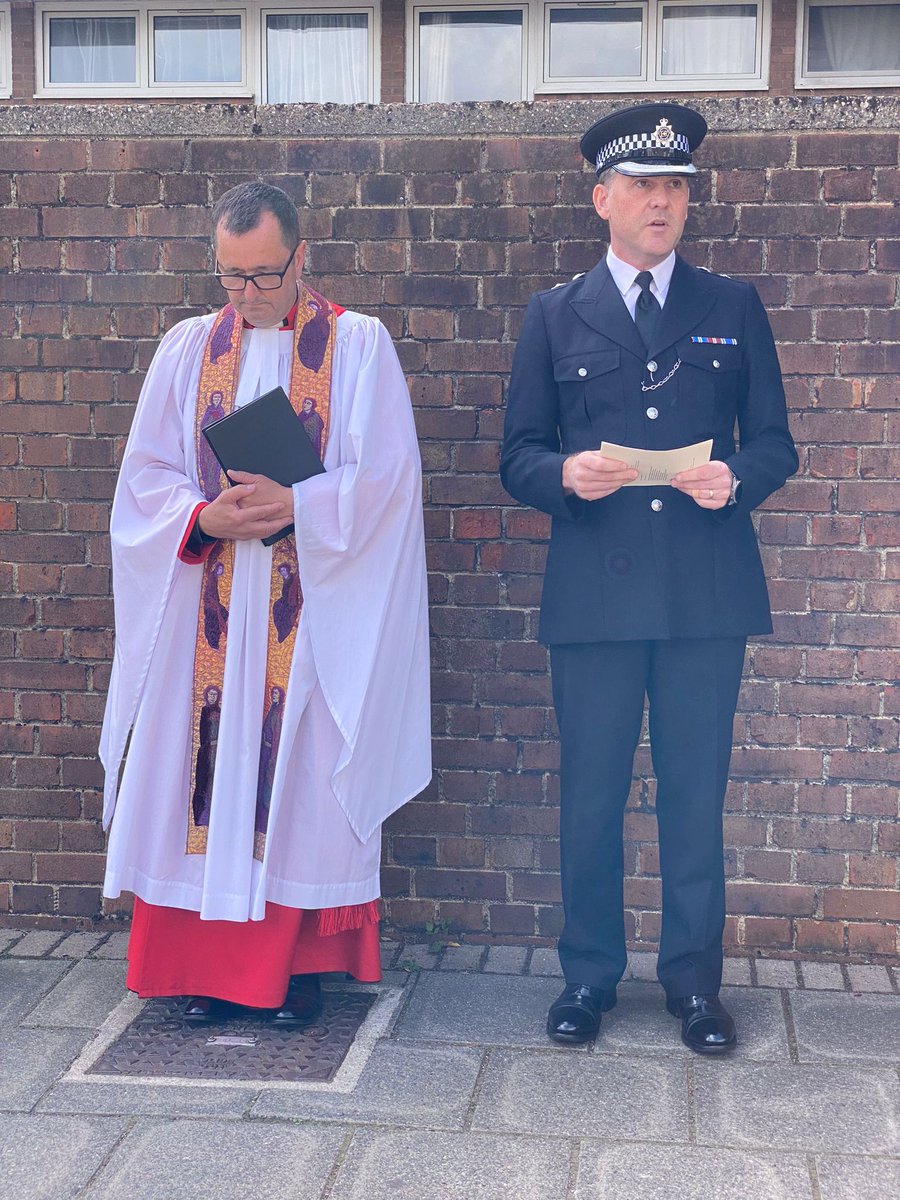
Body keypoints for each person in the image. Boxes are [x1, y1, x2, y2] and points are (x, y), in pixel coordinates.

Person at [500, 103, 797, 1054]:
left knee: (692, 794)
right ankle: (588, 978)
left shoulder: (730, 305)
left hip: (703, 592)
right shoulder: (554, 313)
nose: (661, 202)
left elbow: (779, 444)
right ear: (603, 199)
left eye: (675, 187)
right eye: (642, 186)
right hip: (594, 592)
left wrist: (738, 480)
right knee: (588, 795)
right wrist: (564, 478)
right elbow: (517, 454)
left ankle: (694, 987)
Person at [100, 181, 431, 1025]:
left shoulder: (357, 348)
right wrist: (202, 516)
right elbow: (144, 481)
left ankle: (297, 972)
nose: (247, 294)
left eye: (264, 276)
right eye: (231, 277)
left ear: (301, 258)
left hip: (309, 607)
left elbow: (390, 481)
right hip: (208, 604)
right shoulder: (185, 349)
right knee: (198, 778)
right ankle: (198, 973)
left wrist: (303, 506)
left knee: (302, 785)